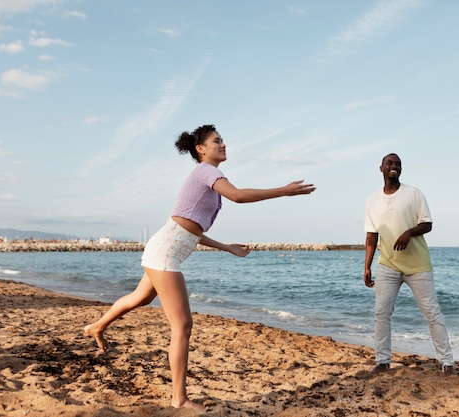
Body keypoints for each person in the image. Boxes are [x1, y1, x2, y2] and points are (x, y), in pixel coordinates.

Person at [85, 124, 315, 411]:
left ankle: (97, 326)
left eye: (223, 141)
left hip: (166, 247)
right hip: (166, 252)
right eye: (217, 141)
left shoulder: (206, 177)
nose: (223, 145)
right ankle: (179, 398)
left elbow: (191, 230)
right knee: (182, 326)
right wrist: (283, 190)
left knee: (140, 298)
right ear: (201, 149)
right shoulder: (208, 171)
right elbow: (239, 196)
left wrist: (226, 247)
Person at [363, 153, 455, 375]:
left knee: (432, 313)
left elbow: (427, 224)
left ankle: (447, 362)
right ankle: (383, 361)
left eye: (397, 164)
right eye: (390, 164)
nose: (394, 167)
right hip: (388, 265)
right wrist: (367, 266)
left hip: (418, 265)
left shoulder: (413, 194)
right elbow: (371, 236)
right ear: (381, 168)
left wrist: (409, 232)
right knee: (381, 313)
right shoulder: (372, 200)